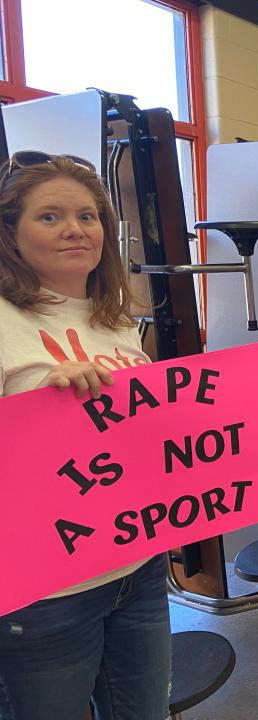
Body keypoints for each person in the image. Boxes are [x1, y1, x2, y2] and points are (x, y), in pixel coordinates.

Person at [0, 152, 170, 718]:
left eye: (88, 216)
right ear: (10, 231)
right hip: (45, 589)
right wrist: (43, 400)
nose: (75, 229)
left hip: (137, 565)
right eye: (49, 217)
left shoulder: (115, 318)